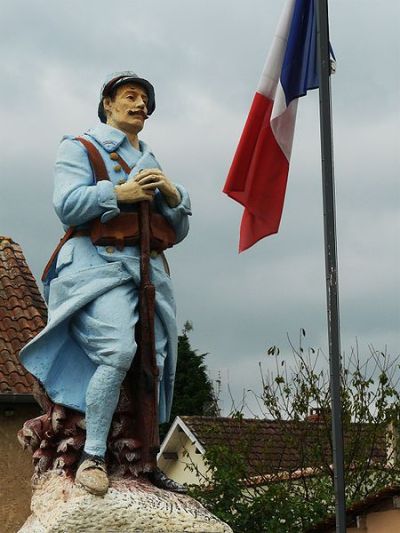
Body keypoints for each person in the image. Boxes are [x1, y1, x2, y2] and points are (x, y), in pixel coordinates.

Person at [20, 71, 191, 495]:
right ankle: (93, 456)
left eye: (145, 101)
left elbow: (177, 231)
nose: (140, 106)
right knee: (116, 351)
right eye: (130, 96)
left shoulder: (152, 160)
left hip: (149, 272)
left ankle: (144, 462)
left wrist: (174, 196)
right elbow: (67, 205)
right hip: (98, 267)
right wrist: (119, 192)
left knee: (154, 365)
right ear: (108, 103)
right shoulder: (79, 147)